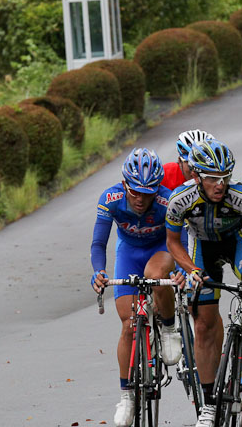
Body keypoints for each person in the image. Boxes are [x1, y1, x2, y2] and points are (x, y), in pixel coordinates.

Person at [165, 139, 242, 427]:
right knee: (205, 325)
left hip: (237, 241)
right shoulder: (179, 199)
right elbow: (172, 242)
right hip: (202, 247)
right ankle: (208, 404)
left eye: (225, 178)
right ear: (196, 176)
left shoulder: (241, 196)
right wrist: (191, 269)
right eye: (211, 179)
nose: (219, 185)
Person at [89, 148, 183, 427]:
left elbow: (182, 242)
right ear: (125, 184)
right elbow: (98, 243)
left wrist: (183, 272)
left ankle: (168, 327)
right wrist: (99, 272)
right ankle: (127, 396)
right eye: (135, 192)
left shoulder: (168, 201)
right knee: (129, 325)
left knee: (156, 275)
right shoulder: (111, 198)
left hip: (160, 249)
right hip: (129, 252)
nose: (141, 199)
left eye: (148, 192)